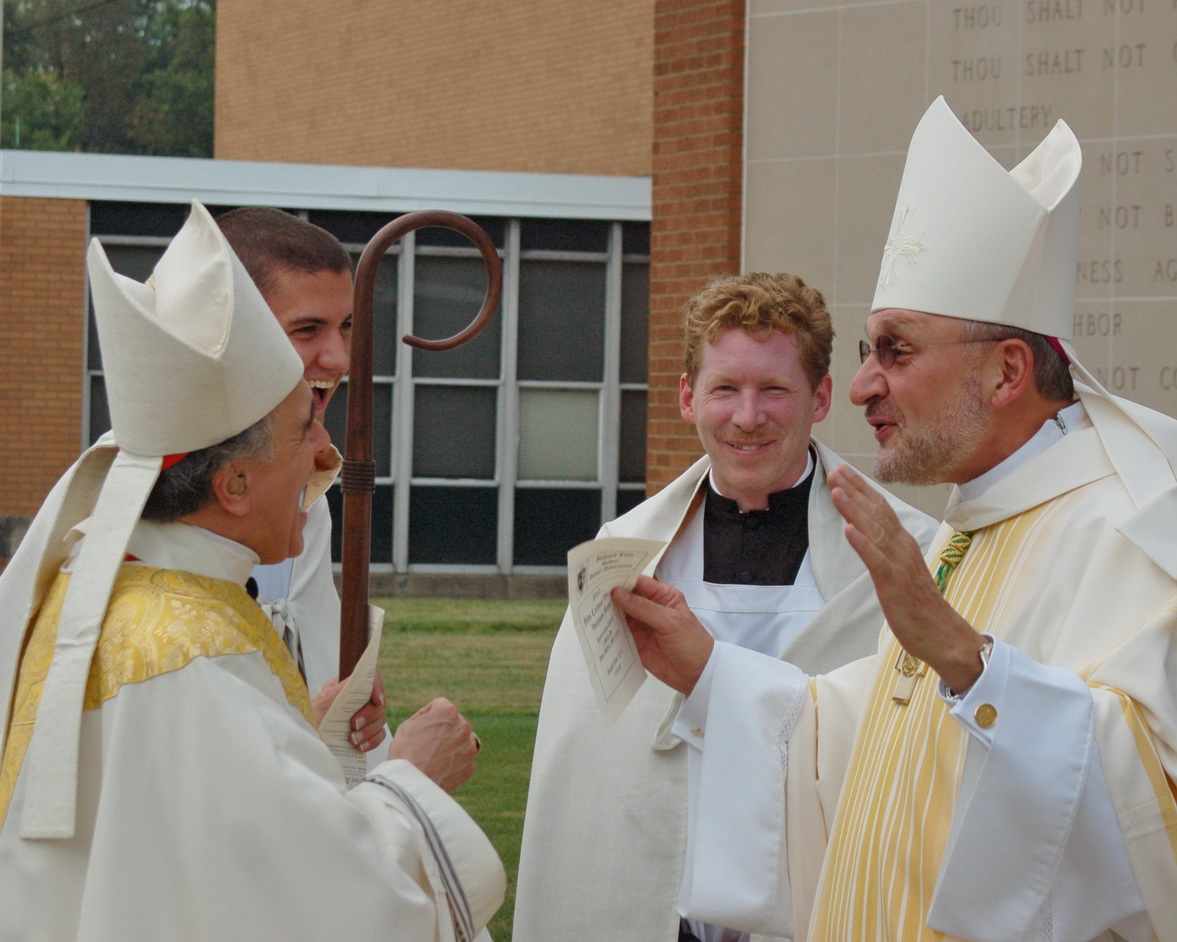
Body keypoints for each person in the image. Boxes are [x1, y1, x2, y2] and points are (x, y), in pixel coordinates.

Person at [613, 97, 1177, 941]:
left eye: (895, 350)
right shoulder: (972, 523)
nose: (864, 386)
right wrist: (716, 677)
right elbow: (881, 744)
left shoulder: (1130, 529)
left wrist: (960, 654)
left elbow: (1147, 810)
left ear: (1006, 371)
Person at [0, 201, 504, 941]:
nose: (328, 460)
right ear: (232, 483)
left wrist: (298, 730)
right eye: (306, 434)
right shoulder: (185, 647)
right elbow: (318, 897)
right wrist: (410, 779)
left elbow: (198, 805)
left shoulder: (122, 572)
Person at [513, 273, 937, 942]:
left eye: (773, 389)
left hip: (819, 902)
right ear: (687, 398)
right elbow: (580, 779)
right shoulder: (621, 557)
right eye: (723, 389)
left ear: (820, 397)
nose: (747, 416)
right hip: (654, 904)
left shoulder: (908, 557)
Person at [215, 206, 389, 764]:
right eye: (307, 330)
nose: (339, 359)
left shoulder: (306, 489)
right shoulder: (159, 502)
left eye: (348, 328)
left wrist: (348, 719)